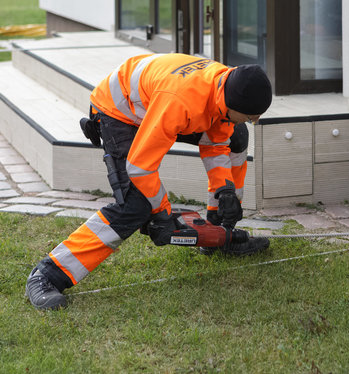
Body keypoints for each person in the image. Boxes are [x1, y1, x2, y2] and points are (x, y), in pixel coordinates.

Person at [25, 53, 273, 310]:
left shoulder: (226, 84)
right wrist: (162, 214)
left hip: (156, 101)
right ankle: (47, 275)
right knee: (136, 205)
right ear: (232, 102)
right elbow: (140, 168)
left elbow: (216, 141)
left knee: (237, 135)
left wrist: (225, 191)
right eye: (251, 115)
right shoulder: (181, 100)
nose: (254, 121)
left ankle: (219, 232)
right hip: (119, 112)